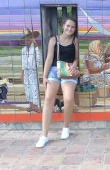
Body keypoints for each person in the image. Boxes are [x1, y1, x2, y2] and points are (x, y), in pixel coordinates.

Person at [36, 18, 79, 148]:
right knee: (48, 98)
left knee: (68, 98)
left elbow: (76, 58)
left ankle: (66, 127)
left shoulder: (75, 40)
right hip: (54, 71)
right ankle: (44, 135)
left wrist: (75, 65)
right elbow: (49, 58)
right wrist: (44, 76)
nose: (70, 29)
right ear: (63, 26)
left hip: (68, 70)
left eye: (72, 27)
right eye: (68, 26)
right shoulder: (54, 40)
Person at [21, 28, 41, 112]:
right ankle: (31, 105)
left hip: (33, 71)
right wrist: (22, 73)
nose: (27, 40)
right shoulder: (23, 50)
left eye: (29, 38)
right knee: (27, 88)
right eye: (26, 38)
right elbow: (22, 62)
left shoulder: (35, 49)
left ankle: (36, 106)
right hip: (26, 71)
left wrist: (36, 46)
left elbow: (38, 59)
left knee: (34, 87)